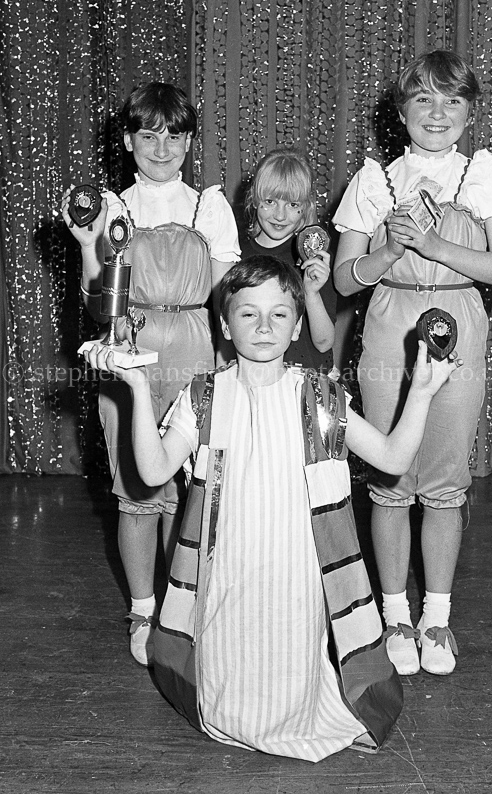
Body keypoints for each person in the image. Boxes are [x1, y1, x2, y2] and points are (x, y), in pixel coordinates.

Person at [83, 254, 460, 762]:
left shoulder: (321, 396)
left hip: (295, 574)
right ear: (224, 324)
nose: (264, 326)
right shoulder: (204, 394)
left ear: (297, 325)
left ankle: (297, 712)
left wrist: (421, 392)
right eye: (248, 313)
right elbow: (152, 472)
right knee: (229, 673)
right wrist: (135, 389)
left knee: (290, 658)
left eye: (279, 314)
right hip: (227, 571)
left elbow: (393, 458)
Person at [332, 49, 492, 677]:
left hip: (458, 320)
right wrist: (388, 252)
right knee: (391, 475)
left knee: (444, 477)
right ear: (401, 110)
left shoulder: (484, 175)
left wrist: (434, 245)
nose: (438, 113)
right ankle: (394, 617)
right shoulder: (374, 181)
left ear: (470, 112)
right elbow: (344, 281)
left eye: (452, 100)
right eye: (423, 99)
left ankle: (436, 617)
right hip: (390, 326)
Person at [61, 82, 240, 666]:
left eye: (175, 136)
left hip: (196, 349)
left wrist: (232, 362)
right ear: (127, 141)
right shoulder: (111, 208)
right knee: (137, 489)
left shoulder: (208, 207)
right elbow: (97, 304)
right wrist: (87, 245)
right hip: (129, 351)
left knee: (189, 489)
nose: (162, 149)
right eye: (148, 136)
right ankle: (143, 607)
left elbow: (226, 298)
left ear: (189, 142)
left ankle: (180, 606)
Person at [240, 148, 336, 374]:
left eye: (293, 205)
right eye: (270, 201)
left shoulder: (313, 258)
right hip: (254, 376)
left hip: (306, 379)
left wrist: (311, 292)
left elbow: (324, 343)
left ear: (306, 207)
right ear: (254, 199)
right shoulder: (235, 254)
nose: (280, 215)